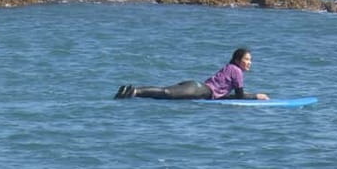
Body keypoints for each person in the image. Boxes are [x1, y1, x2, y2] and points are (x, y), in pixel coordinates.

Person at [114, 48, 270, 100]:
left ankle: (133, 92)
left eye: (251, 60)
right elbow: (240, 96)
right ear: (238, 60)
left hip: (197, 87)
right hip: (200, 89)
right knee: (167, 93)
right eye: (247, 59)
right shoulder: (236, 71)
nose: (249, 62)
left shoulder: (230, 68)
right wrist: (256, 96)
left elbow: (228, 94)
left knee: (165, 92)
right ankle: (134, 91)